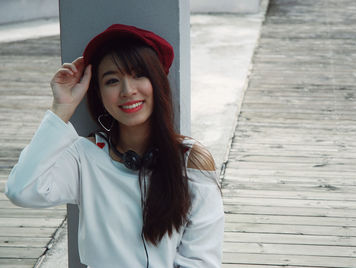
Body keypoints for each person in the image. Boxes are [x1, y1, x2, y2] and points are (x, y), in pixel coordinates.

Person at [5, 24, 224, 268]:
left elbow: (201, 261)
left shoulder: (190, 160)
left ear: (157, 82)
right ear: (98, 93)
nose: (127, 91)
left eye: (139, 75)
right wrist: (62, 108)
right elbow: (21, 190)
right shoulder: (85, 156)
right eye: (112, 81)